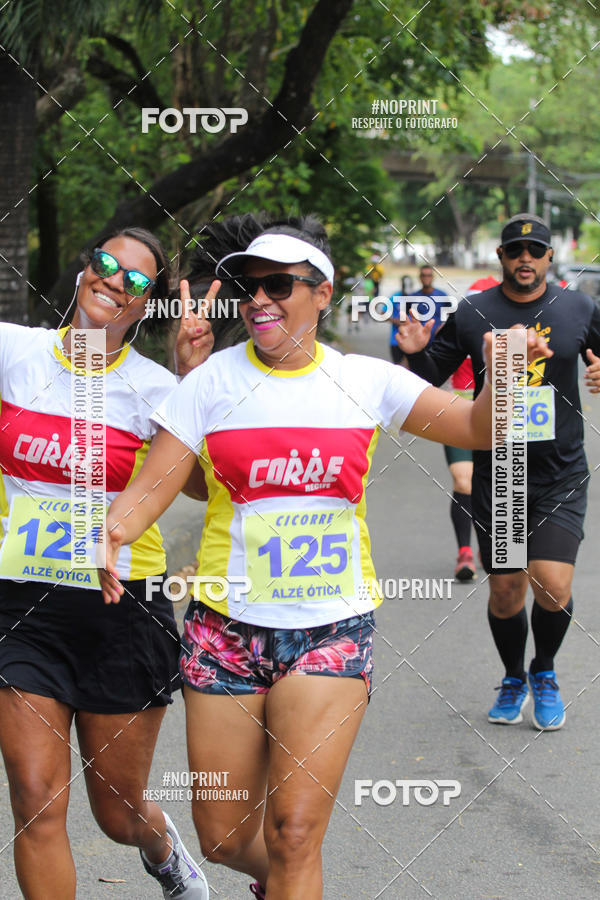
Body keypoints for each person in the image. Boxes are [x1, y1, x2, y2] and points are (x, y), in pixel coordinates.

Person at [98, 214, 548, 899]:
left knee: (296, 832)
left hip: (330, 630)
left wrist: (510, 367)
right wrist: (112, 534)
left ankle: (292, 876)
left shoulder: (364, 380)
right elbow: (150, 491)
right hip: (224, 628)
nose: (258, 300)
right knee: (221, 835)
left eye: (279, 284)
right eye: (248, 287)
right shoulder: (210, 384)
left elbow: (477, 427)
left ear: (323, 291)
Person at [0, 228, 213, 899]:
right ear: (84, 268)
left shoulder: (155, 388)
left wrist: (192, 383)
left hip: (122, 611)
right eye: (106, 264)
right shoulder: (14, 352)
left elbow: (209, 486)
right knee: (36, 800)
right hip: (21, 605)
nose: (115, 281)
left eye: (137, 281)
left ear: (146, 304)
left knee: (117, 812)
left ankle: (159, 847)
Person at [397, 213, 600, 731]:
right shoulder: (473, 312)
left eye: (535, 250)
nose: (525, 259)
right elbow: (426, 379)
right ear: (502, 257)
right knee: (507, 590)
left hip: (560, 471)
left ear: (549, 258)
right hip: (502, 471)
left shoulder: (578, 306)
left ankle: (545, 671)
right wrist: (414, 354)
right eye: (515, 250)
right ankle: (513, 675)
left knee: (551, 583)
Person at [447, 276, 500, 582]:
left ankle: (489, 543)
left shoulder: (509, 340)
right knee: (463, 479)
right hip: (460, 411)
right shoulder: (459, 331)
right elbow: (429, 366)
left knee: (495, 482)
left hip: (500, 415)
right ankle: (465, 552)